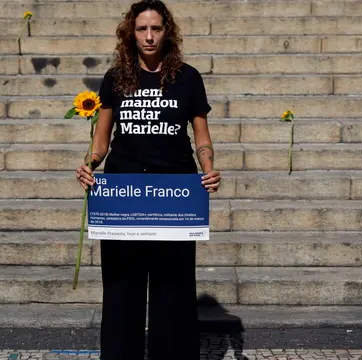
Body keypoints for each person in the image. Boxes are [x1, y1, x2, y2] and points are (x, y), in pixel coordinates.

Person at [74, 0, 221, 359]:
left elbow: (201, 137)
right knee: (123, 286)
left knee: (174, 287)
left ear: (167, 32)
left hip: (176, 193)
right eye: (142, 29)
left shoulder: (187, 77)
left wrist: (208, 167)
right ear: (131, 33)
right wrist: (89, 164)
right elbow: (101, 141)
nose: (150, 36)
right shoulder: (115, 79)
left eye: (156, 28)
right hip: (124, 194)